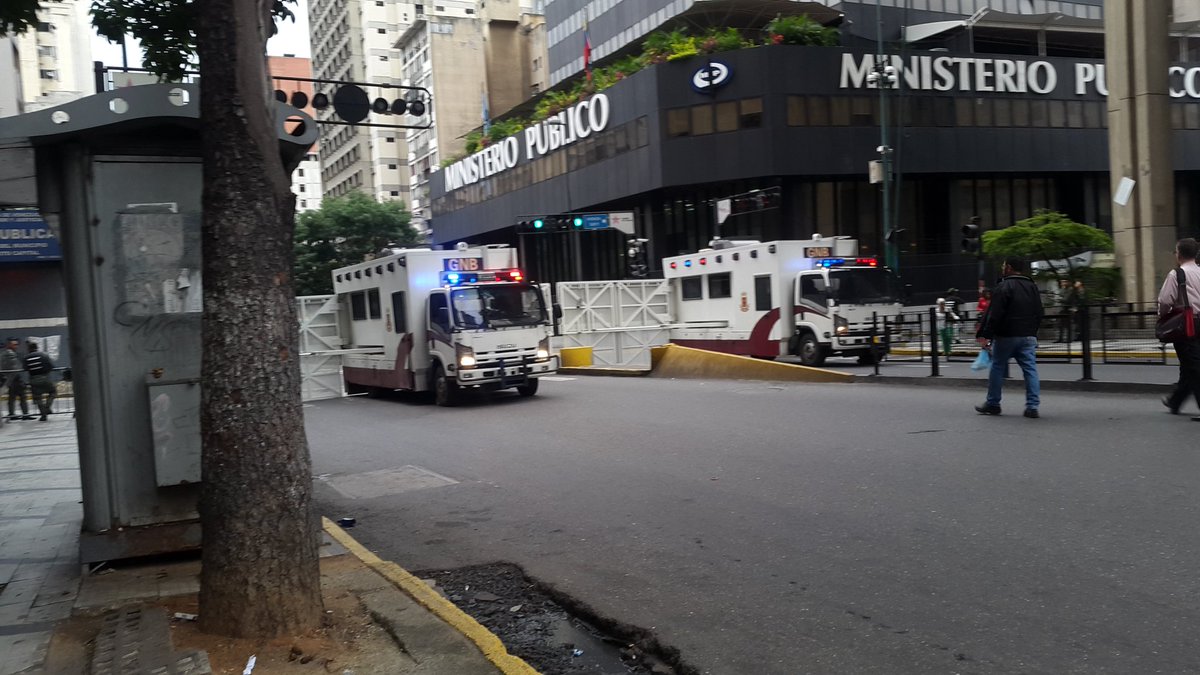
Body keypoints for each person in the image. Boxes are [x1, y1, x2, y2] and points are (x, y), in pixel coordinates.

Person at [975, 257, 1044, 418]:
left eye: (1004, 265)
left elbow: (994, 313)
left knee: (998, 367)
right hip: (1028, 335)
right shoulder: (1032, 286)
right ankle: (1032, 407)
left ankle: (993, 403)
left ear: (1010, 268)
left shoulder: (1004, 286)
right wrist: (1032, 331)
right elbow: (1040, 312)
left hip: (1007, 334)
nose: (1002, 268)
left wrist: (986, 334)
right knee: (1030, 369)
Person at [1158, 238, 1200, 417]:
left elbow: (1165, 300)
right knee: (1189, 363)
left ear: (1179, 254)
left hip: (1187, 324)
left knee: (1193, 365)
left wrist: (1163, 316)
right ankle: (1176, 401)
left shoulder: (1177, 274)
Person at [22, 341, 55, 422]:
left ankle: (43, 415)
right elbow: (51, 366)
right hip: (45, 378)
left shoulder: (26, 358)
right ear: (36, 347)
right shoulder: (44, 355)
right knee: (53, 392)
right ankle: (47, 407)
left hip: (33, 379)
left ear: (29, 349)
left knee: (38, 397)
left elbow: (25, 368)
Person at [1, 337, 32, 420]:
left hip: (10, 379)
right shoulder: (10, 354)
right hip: (14, 379)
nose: (16, 346)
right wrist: (19, 379)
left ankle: (12, 414)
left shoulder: (5, 354)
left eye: (17, 344)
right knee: (22, 397)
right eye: (14, 344)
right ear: (9, 345)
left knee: (12, 397)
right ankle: (24, 414)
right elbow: (14, 368)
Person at [1053, 278, 1073, 343]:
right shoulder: (1062, 289)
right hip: (1062, 308)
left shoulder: (1070, 289)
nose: (1062, 283)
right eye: (1062, 282)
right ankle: (1060, 338)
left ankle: (1069, 339)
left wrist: (1059, 299)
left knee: (1067, 325)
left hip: (1067, 308)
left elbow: (1066, 299)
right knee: (1060, 324)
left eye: (1064, 282)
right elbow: (1060, 296)